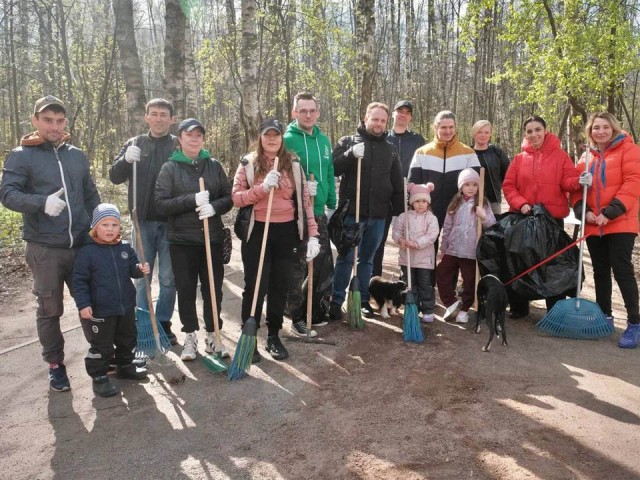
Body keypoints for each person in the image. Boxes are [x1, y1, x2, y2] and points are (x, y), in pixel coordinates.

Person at [0, 95, 101, 392]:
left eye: (59, 121)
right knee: (49, 308)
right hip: (45, 247)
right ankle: (56, 365)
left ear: (65, 122)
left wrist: (100, 222)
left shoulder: (76, 155)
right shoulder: (21, 155)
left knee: (91, 303)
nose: (54, 126)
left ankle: (99, 354)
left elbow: (89, 193)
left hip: (82, 243)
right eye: (47, 120)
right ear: (35, 121)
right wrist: (41, 202)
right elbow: (7, 194)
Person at [232, 118, 319, 361]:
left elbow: (304, 203)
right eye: (267, 134)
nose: (272, 139)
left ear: (282, 138)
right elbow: (237, 198)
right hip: (257, 231)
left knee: (279, 284)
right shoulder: (248, 163)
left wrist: (312, 234)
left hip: (286, 232)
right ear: (260, 137)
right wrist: (261, 189)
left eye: (276, 135)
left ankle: (273, 335)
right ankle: (248, 335)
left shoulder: (293, 164)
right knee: (255, 286)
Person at [155, 119, 233, 361]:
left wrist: (213, 207)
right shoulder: (170, 168)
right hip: (182, 241)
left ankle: (213, 334)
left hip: (212, 238)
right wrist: (191, 200)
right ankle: (190, 334)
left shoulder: (214, 166)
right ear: (180, 138)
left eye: (199, 135)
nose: (195, 138)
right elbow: (160, 204)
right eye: (189, 135)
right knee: (186, 290)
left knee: (213, 290)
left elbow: (229, 197)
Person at [109, 98, 178, 345]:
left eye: (164, 115)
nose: (159, 119)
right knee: (142, 277)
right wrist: (125, 160)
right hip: (142, 222)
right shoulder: (134, 143)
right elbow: (114, 177)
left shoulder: (178, 145)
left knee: (170, 279)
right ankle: (144, 324)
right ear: (146, 117)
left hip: (172, 223)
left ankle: (164, 323)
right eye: (154, 114)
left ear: (172, 119)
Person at [330, 102, 404, 319]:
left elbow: (397, 182)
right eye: (375, 119)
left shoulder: (390, 149)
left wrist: (399, 212)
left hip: (379, 214)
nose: (379, 124)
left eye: (383, 120)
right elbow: (333, 168)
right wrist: (350, 154)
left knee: (367, 260)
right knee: (345, 257)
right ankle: (336, 300)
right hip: (352, 212)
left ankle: (362, 300)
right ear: (365, 119)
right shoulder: (348, 142)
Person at [572, 112, 640, 348]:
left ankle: (634, 323)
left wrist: (609, 212)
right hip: (594, 223)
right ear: (590, 132)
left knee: (621, 269)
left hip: (620, 222)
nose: (600, 131)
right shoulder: (586, 156)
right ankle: (605, 316)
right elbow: (576, 188)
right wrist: (585, 211)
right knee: (600, 270)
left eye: (605, 127)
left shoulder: (629, 150)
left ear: (613, 128)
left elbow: (633, 183)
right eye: (595, 128)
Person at [502, 115, 581, 318]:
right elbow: (509, 186)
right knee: (521, 262)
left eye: (537, 129)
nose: (533, 134)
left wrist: (580, 181)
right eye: (529, 131)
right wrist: (522, 204)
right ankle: (519, 307)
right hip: (524, 217)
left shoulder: (561, 155)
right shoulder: (519, 159)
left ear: (546, 131)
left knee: (551, 265)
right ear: (525, 135)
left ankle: (554, 309)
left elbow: (569, 182)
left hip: (551, 220)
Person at [72, 204, 150, 397]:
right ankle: (99, 377)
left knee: (127, 338)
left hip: (125, 306)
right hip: (101, 309)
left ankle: (125, 366)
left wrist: (140, 269)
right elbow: (79, 281)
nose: (110, 229)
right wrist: (83, 304)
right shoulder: (87, 252)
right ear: (95, 228)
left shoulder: (124, 248)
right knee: (102, 345)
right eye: (104, 224)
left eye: (114, 225)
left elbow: (132, 268)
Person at [283, 92, 336, 335]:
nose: (307, 114)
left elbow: (328, 170)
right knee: (297, 267)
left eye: (311, 110)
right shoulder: (287, 140)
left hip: (318, 211)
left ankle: (312, 311)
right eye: (302, 110)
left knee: (322, 263)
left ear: (317, 112)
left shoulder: (323, 141)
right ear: (294, 113)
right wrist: (301, 188)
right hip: (294, 213)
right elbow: (281, 177)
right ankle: (295, 315)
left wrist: (331, 201)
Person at [372, 99, 426, 277]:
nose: (403, 114)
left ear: (410, 117)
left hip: (409, 196)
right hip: (383, 197)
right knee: (378, 240)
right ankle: (375, 279)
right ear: (393, 114)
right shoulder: (382, 137)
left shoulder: (418, 140)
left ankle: (408, 280)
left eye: (407, 112)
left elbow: (422, 168)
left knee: (409, 238)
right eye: (400, 110)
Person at [436, 169, 496, 323]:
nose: (471, 188)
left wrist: (483, 217)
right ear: (461, 186)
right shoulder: (455, 203)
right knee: (441, 273)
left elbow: (493, 225)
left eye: (475, 185)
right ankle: (451, 303)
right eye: (467, 184)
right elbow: (447, 228)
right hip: (453, 248)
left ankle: (464, 309)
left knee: (469, 281)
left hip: (471, 250)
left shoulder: (482, 203)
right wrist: (443, 248)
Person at [408, 110, 480, 229]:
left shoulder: (468, 153)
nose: (448, 131)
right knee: (427, 247)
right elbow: (413, 184)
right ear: (436, 128)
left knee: (453, 246)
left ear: (455, 127)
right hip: (428, 211)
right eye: (444, 127)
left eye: (451, 127)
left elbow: (477, 185)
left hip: (458, 210)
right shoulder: (421, 153)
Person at [391, 183, 439, 322]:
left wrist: (416, 243)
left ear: (428, 202)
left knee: (425, 285)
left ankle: (428, 310)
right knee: (409, 285)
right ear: (411, 202)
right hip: (407, 259)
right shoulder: (404, 216)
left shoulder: (431, 218)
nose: (420, 204)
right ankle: (412, 307)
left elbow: (432, 235)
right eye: (417, 201)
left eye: (424, 201)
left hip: (424, 260)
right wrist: (400, 240)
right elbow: (396, 231)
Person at [471, 120, 510, 215]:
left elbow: (508, 174)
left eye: (486, 132)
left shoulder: (497, 152)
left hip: (493, 201)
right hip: (471, 201)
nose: (483, 135)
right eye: (479, 132)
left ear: (490, 135)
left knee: (493, 228)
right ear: (474, 133)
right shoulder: (468, 153)